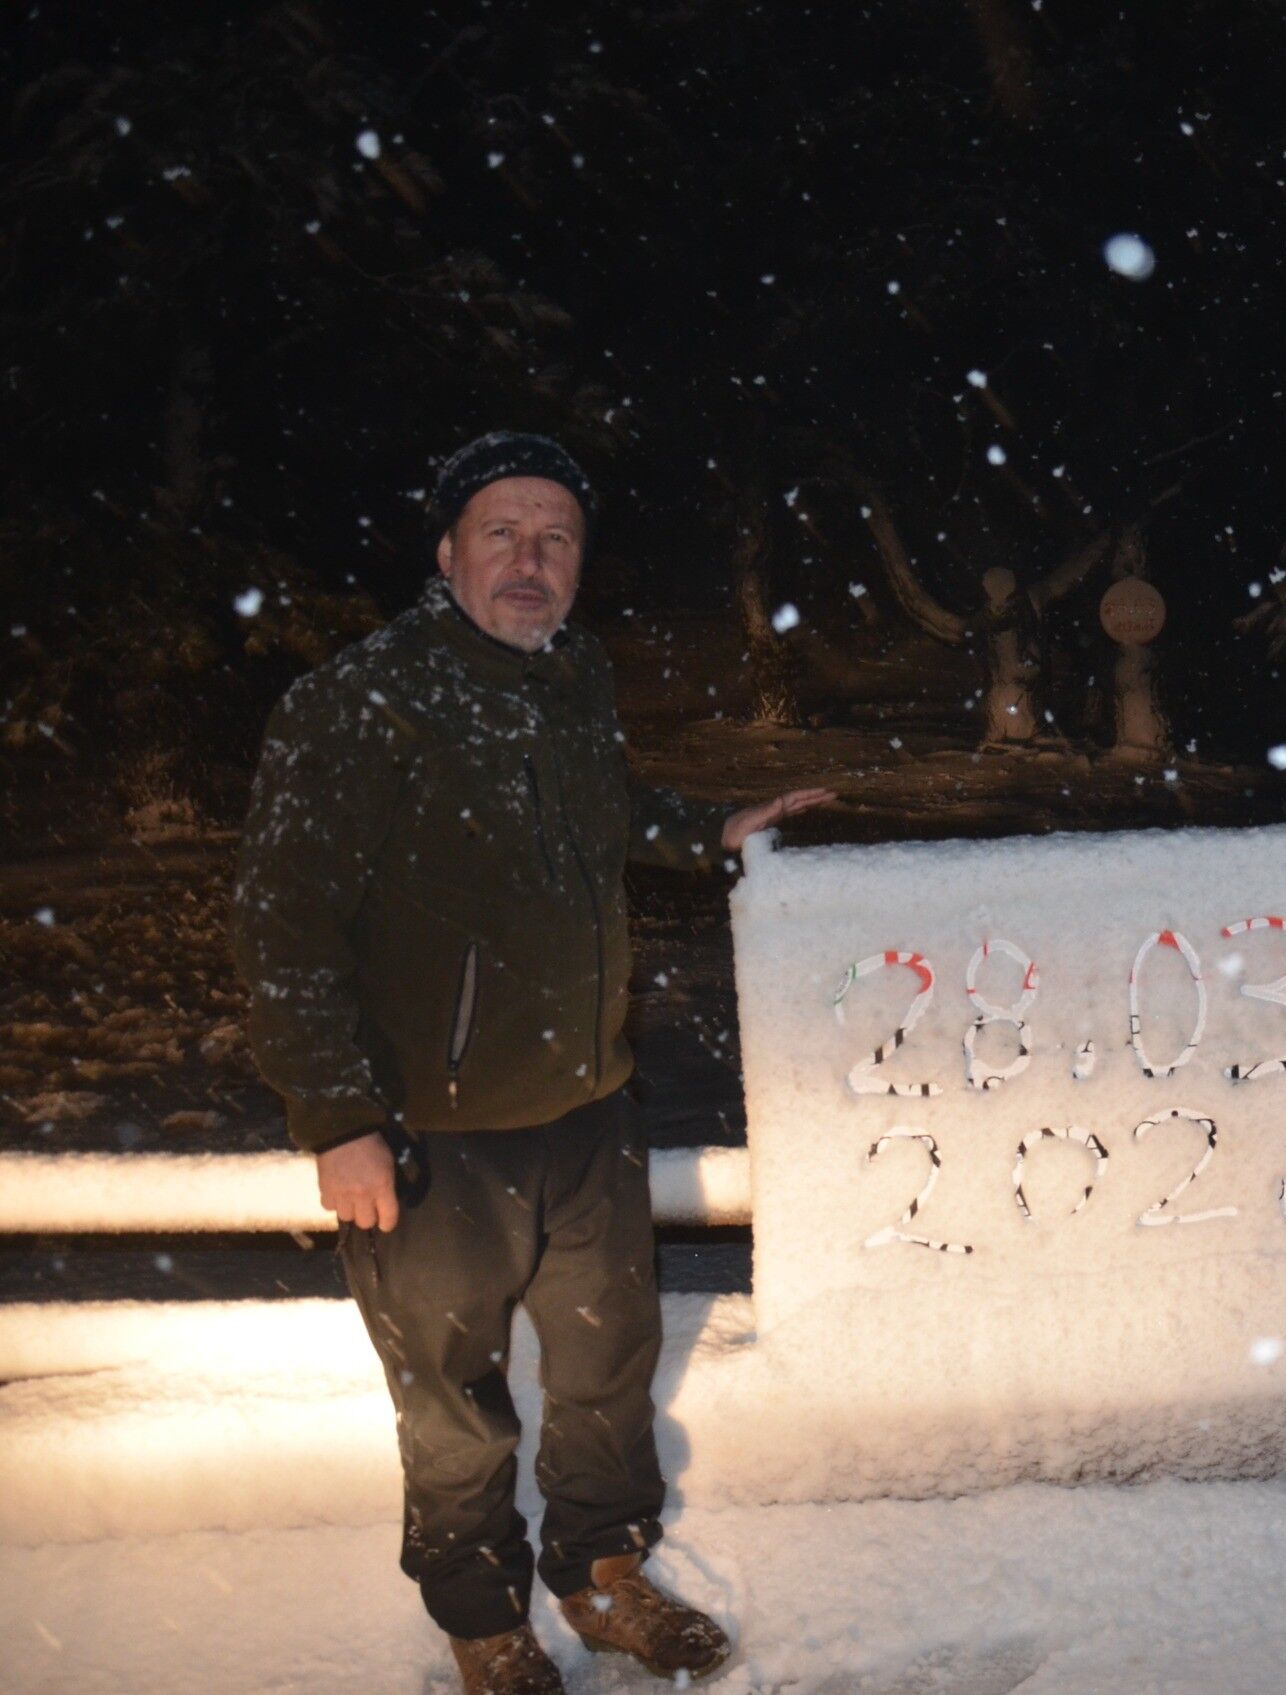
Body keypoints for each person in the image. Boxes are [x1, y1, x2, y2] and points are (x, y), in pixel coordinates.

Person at [232, 431, 831, 1695]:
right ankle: (480, 1616)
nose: (529, 559)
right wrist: (336, 1117)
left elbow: (606, 805)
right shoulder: (358, 701)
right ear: (446, 552)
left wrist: (711, 829)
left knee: (608, 1369)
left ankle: (603, 1575)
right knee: (454, 1402)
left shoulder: (572, 677)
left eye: (555, 538)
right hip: (430, 1135)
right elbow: (283, 925)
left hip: (589, 1106)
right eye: (501, 531)